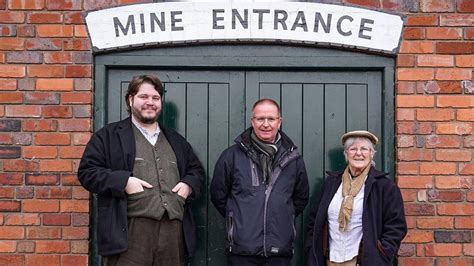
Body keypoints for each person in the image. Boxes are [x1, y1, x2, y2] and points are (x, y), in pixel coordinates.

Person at [78, 75, 204, 266]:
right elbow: (87, 172)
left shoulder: (176, 140)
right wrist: (124, 182)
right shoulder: (108, 136)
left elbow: (196, 171)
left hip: (173, 231)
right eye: (143, 97)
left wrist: (188, 184)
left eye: (155, 98)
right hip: (129, 231)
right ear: (130, 100)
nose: (150, 103)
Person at [211, 98, 309, 266]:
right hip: (241, 252)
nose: (265, 124)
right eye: (260, 119)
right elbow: (218, 196)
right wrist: (237, 220)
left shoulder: (294, 159)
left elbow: (300, 198)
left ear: (279, 121)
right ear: (252, 121)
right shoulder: (231, 156)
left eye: (271, 119)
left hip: (279, 251)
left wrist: (281, 216)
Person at [306, 130, 407, 266]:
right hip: (331, 259)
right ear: (346, 154)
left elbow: (396, 225)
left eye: (364, 149)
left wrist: (383, 253)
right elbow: (315, 219)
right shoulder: (331, 183)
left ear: (371, 154)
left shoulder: (384, 187)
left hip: (364, 261)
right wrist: (312, 247)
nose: (358, 153)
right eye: (353, 149)